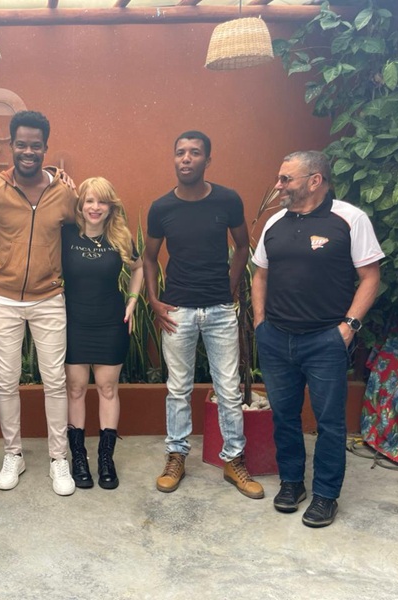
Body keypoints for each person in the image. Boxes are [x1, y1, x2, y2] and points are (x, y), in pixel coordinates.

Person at [252, 150, 383, 528]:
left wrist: (348, 327)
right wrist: (260, 323)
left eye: (286, 179)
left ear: (315, 181)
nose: (278, 185)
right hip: (276, 338)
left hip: (326, 340)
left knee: (330, 422)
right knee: (284, 416)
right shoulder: (275, 222)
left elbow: (370, 277)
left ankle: (326, 495)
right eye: (279, 178)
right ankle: (292, 483)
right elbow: (260, 274)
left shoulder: (350, 219)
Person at [144, 130, 264, 500]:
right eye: (180, 152)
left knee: (228, 388)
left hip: (219, 310)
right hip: (177, 309)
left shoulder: (227, 200)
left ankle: (234, 460)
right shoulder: (162, 208)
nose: (186, 158)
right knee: (178, 388)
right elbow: (149, 257)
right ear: (174, 158)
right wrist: (154, 299)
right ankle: (176, 456)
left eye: (194, 152)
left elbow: (242, 246)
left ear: (207, 160)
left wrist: (230, 287)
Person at [0, 110, 78, 496]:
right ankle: (13, 454)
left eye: (35, 145)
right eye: (21, 144)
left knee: (55, 382)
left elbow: (80, 232)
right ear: (11, 145)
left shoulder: (64, 193)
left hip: (49, 298)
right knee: (6, 382)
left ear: (45, 148)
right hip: (3, 298)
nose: (28, 151)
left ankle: (58, 458)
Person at [62, 177, 143, 490]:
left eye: (102, 202)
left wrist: (132, 300)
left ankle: (106, 459)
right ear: (81, 204)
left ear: (111, 206)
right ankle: (79, 458)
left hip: (110, 322)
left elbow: (138, 268)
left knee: (108, 388)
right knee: (76, 389)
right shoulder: (66, 234)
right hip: (74, 322)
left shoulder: (119, 236)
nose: (95, 207)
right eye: (89, 201)